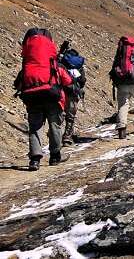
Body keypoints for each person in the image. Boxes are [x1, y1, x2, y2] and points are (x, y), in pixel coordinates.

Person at [13, 28, 74, 170]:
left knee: (35, 128)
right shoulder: (53, 64)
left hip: (32, 98)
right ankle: (55, 156)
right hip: (52, 97)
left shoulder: (27, 65)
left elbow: (17, 84)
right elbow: (68, 81)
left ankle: (34, 160)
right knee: (55, 126)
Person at [109, 36, 134, 139]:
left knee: (123, 105)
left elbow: (113, 69)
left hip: (122, 83)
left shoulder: (120, 54)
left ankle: (122, 129)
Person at [58, 40, 86, 146]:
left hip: (61, 90)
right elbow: (82, 80)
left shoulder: (60, 63)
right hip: (74, 91)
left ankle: (56, 135)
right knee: (70, 116)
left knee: (59, 113)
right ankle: (67, 137)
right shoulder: (79, 66)